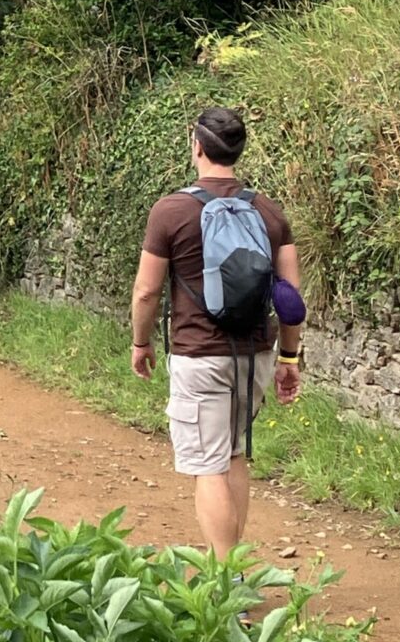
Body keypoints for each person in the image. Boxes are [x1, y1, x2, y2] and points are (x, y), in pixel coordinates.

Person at [130, 107, 304, 559]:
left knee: (207, 466)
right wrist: (289, 358)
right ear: (239, 150)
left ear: (198, 147)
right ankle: (230, 565)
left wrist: (141, 342)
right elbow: (291, 296)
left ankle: (227, 583)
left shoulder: (171, 211)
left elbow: (148, 292)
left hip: (198, 355)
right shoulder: (269, 211)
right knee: (234, 457)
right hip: (254, 354)